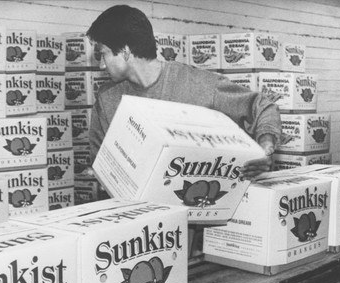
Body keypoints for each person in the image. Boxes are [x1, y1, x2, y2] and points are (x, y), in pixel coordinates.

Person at [86, 4, 283, 179]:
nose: (102, 65)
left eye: (103, 54)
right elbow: (100, 161)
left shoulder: (198, 85)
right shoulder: (107, 99)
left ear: (125, 51)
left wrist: (265, 149)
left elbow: (262, 107)